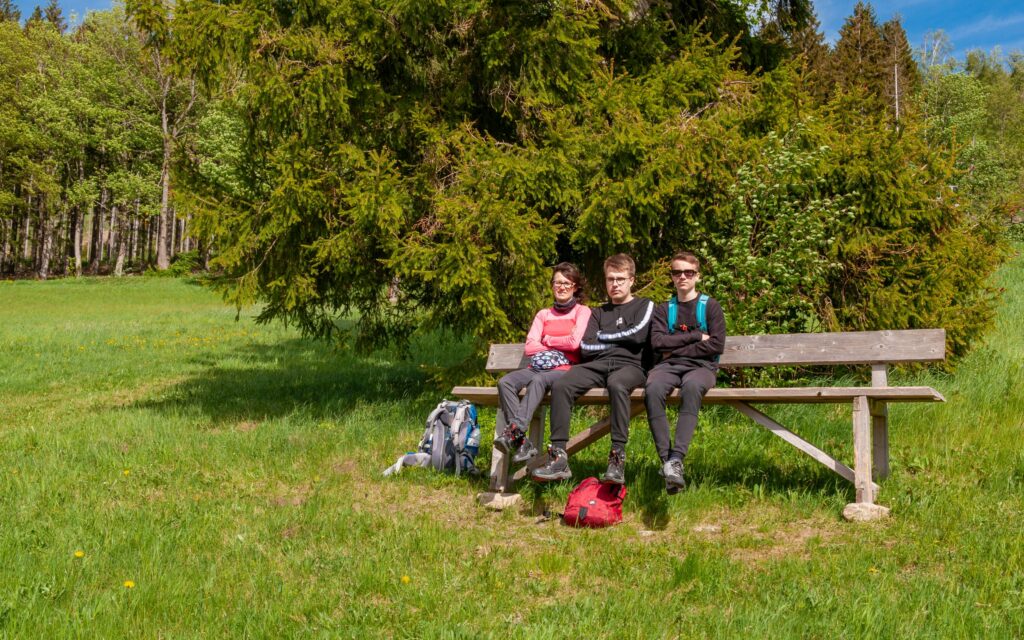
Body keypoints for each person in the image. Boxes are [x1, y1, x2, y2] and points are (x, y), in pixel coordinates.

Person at [533, 253, 654, 484]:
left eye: (620, 279)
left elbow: (638, 335)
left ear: (631, 280)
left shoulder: (644, 305)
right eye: (610, 279)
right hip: (597, 365)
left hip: (631, 366)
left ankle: (617, 460)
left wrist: (604, 337)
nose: (615, 284)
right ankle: (558, 458)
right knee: (562, 385)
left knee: (617, 385)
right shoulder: (598, 312)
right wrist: (618, 339)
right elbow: (587, 346)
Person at [492, 263, 591, 463]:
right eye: (557, 282)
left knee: (540, 380)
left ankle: (514, 431)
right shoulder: (543, 314)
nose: (561, 287)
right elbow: (530, 347)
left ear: (575, 287)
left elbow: (575, 344)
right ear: (552, 285)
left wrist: (548, 341)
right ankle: (521, 442)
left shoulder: (582, 312)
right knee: (505, 382)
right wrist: (557, 345)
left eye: (566, 283)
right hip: (537, 366)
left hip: (566, 369)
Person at [644, 251, 726, 494]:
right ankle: (666, 462)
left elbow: (716, 345)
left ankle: (676, 459)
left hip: (702, 368)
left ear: (697, 276)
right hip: (667, 367)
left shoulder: (710, 307)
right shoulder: (663, 309)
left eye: (688, 272)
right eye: (677, 272)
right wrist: (694, 336)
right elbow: (657, 344)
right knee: (653, 388)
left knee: (691, 388)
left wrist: (676, 347)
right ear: (671, 276)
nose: (682, 277)